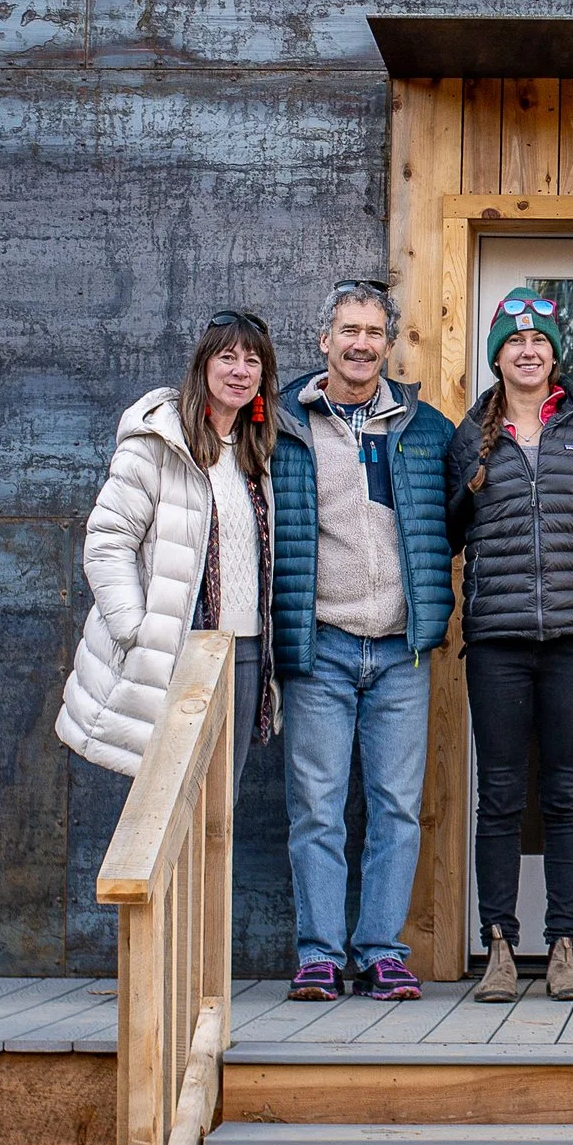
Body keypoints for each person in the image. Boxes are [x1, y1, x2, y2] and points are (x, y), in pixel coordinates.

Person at [269, 280, 456, 1001]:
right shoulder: (284, 425)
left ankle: (380, 949)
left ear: (388, 343)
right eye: (348, 329)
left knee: (396, 806)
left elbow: (460, 505)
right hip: (321, 643)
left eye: (374, 332)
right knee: (316, 806)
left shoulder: (423, 426)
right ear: (324, 339)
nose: (360, 343)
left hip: (401, 648)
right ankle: (319, 951)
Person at [446, 287, 573, 1003]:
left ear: (553, 354)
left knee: (568, 794)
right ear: (498, 356)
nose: (527, 350)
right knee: (501, 797)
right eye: (514, 342)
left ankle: (564, 946)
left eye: (539, 340)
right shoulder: (468, 435)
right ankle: (499, 946)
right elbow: (451, 529)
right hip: (497, 640)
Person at [56, 310, 280, 795]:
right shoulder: (160, 442)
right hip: (180, 648)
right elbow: (107, 541)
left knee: (221, 801)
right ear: (203, 365)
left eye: (252, 361)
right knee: (163, 802)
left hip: (243, 650)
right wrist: (137, 628)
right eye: (227, 358)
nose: (240, 371)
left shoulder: (255, 452)